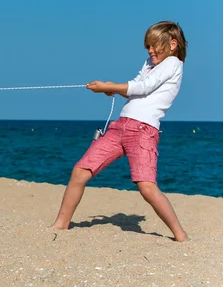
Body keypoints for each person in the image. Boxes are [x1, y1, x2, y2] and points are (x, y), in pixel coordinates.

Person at [50, 21, 189, 242]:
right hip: (120, 126)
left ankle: (180, 236)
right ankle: (60, 224)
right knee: (80, 171)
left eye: (155, 46)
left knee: (147, 187)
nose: (150, 51)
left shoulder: (173, 63)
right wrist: (110, 89)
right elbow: (135, 87)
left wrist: (110, 86)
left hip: (143, 131)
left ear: (172, 44)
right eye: (148, 47)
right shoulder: (150, 64)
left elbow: (144, 88)